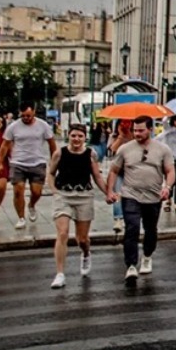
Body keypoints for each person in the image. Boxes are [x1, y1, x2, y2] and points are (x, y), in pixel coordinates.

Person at [106, 115, 175, 287]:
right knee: (132, 228)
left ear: (150, 129)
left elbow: (170, 170)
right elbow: (114, 171)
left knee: (150, 229)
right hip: (130, 195)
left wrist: (167, 187)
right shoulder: (125, 149)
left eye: (141, 130)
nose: (137, 133)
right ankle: (130, 265)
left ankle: (147, 255)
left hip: (153, 196)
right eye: (135, 130)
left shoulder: (163, 149)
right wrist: (110, 191)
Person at [46, 123, 108, 289]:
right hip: (64, 195)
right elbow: (51, 173)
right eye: (74, 135)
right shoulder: (59, 153)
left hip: (84, 196)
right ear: (69, 136)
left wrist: (109, 192)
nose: (76, 139)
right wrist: (54, 191)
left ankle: (86, 253)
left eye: (80, 136)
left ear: (84, 138)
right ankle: (60, 274)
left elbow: (97, 177)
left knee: (82, 239)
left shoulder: (90, 154)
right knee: (63, 233)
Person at [0, 103, 58, 230]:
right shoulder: (13, 126)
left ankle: (31, 205)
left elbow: (52, 143)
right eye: (23, 116)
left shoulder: (43, 125)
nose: (26, 118)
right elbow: (4, 145)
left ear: (34, 112)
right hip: (18, 162)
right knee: (18, 191)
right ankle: (21, 218)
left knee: (37, 192)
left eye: (28, 115)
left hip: (37, 162)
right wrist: (0, 163)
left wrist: (54, 161)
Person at [108, 120, 135, 232]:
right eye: (122, 124)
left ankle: (129, 217)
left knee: (131, 196)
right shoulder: (114, 136)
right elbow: (112, 150)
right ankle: (118, 219)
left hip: (132, 171)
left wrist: (129, 135)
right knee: (117, 194)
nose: (124, 126)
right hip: (118, 170)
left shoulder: (135, 136)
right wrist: (121, 136)